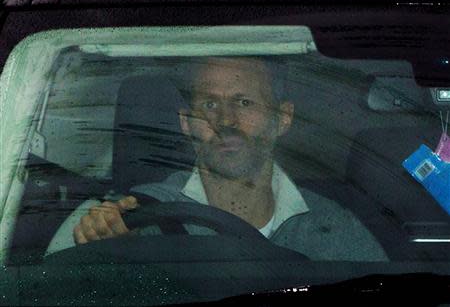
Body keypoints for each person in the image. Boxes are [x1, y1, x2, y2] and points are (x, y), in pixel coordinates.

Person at [47, 56, 388, 261]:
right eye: (210, 104)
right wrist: (103, 253)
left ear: (282, 119)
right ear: (186, 122)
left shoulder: (336, 230)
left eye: (244, 103)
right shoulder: (126, 219)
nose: (225, 122)